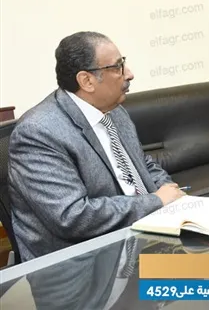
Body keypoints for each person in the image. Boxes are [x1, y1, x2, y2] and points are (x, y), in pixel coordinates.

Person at [9, 32, 185, 261]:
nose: (129, 74)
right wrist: (156, 201)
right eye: (118, 67)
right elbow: (72, 217)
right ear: (87, 81)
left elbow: (142, 164)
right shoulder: (38, 133)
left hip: (141, 239)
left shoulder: (114, 111)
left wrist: (173, 195)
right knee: (204, 276)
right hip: (85, 265)